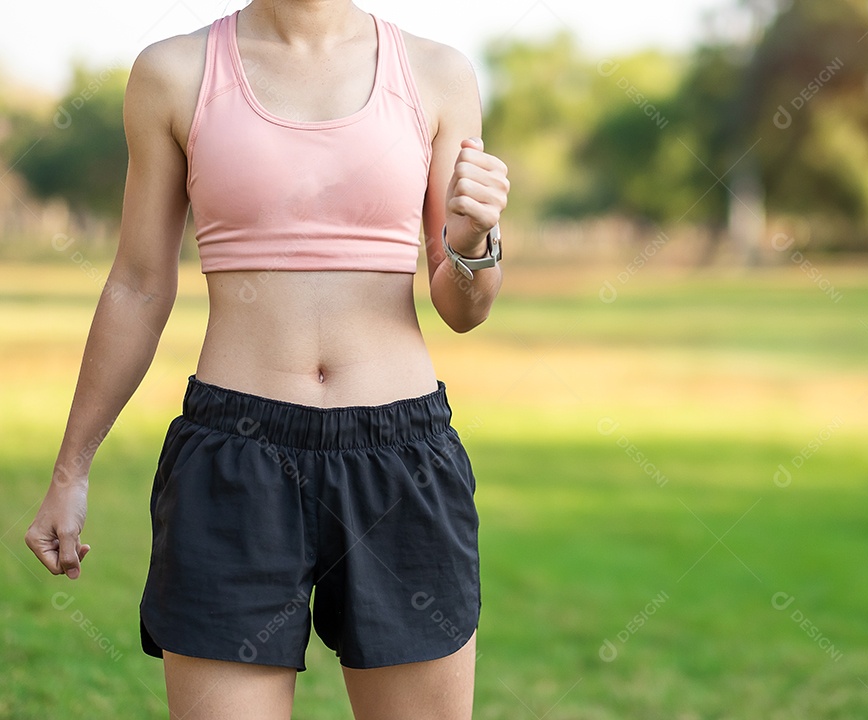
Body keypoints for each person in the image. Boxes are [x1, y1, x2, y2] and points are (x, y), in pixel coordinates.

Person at [24, 0, 509, 717]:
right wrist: (71, 471)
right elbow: (137, 285)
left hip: (399, 459)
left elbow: (464, 307)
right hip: (233, 461)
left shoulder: (438, 73)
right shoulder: (174, 71)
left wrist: (473, 244)